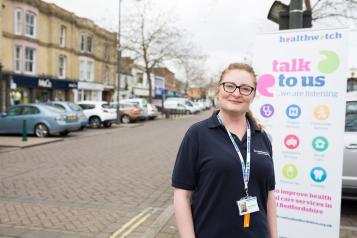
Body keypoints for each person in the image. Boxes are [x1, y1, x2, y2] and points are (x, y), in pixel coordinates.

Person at [172, 63, 277, 238]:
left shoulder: (262, 137)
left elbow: (270, 196)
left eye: (245, 89)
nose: (236, 93)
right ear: (219, 89)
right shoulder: (197, 134)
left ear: (253, 95)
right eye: (229, 86)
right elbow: (181, 195)